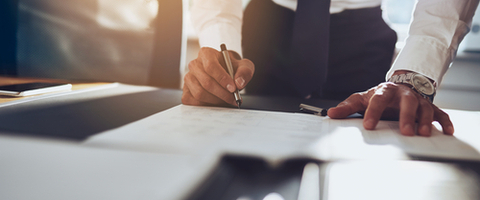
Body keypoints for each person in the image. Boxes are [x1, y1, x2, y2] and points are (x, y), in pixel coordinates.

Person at [182, 0, 479, 136]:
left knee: (363, 143)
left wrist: (413, 77)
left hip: (362, 35)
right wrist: (221, 46)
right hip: (267, 28)